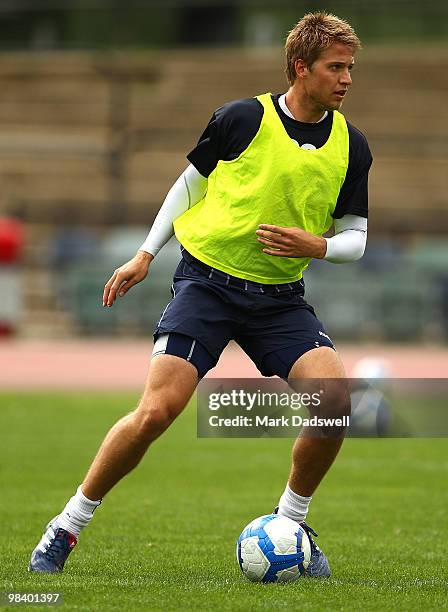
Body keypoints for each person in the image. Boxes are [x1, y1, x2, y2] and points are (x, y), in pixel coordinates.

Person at [29, 12, 371, 576]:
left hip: (279, 299)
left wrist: (318, 245)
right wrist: (145, 253)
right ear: (300, 67)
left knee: (333, 403)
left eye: (350, 67)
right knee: (156, 413)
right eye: (336, 67)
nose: (347, 79)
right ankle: (67, 526)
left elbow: (355, 238)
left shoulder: (351, 146)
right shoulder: (241, 118)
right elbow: (188, 184)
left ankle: (291, 520)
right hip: (207, 284)